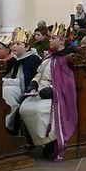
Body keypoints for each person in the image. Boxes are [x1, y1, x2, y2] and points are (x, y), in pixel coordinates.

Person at [18, 26, 78, 160]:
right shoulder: (49, 56)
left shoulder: (68, 58)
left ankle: (50, 142)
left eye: (53, 38)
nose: (49, 40)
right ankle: (36, 141)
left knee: (39, 111)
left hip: (55, 95)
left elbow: (67, 83)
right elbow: (39, 73)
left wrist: (51, 90)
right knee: (23, 108)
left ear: (62, 41)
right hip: (40, 91)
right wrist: (33, 84)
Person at [2, 32, 41, 132]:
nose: (14, 46)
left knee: (8, 92)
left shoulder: (33, 60)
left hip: (28, 91)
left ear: (27, 48)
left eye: (18, 44)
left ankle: (9, 127)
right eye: (13, 43)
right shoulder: (16, 59)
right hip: (17, 88)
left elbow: (24, 81)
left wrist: (6, 82)